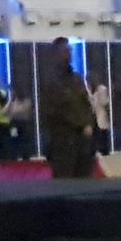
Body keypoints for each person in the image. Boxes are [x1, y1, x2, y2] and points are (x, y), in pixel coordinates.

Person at [40, 37, 94, 180]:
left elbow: (86, 104)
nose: (69, 54)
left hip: (82, 143)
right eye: (65, 51)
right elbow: (54, 110)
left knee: (84, 180)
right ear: (56, 54)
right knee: (64, 179)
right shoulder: (50, 80)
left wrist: (88, 124)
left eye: (70, 50)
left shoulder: (76, 79)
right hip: (62, 141)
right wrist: (80, 124)